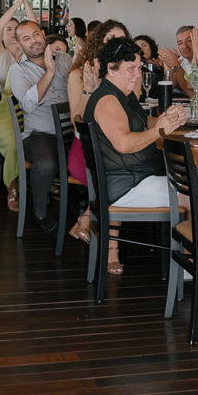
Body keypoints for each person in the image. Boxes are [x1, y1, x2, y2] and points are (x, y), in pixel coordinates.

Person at [82, 37, 198, 274]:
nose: (137, 74)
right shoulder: (107, 100)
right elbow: (124, 143)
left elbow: (145, 122)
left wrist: (171, 120)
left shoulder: (122, 95)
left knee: (193, 186)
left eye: (139, 67)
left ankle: (189, 260)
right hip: (124, 186)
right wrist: (159, 130)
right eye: (131, 68)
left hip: (132, 177)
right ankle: (192, 265)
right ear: (111, 69)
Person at [66, 21, 131, 242]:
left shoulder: (130, 74)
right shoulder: (78, 74)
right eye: (110, 39)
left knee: (126, 169)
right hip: (87, 149)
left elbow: (133, 113)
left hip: (120, 145)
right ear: (99, 43)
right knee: (120, 175)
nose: (117, 44)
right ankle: (110, 250)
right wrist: (90, 89)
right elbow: (78, 123)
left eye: (121, 40)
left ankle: (86, 218)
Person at [8, 20, 72, 237]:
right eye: (26, 38)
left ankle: (90, 214)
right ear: (18, 43)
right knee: (46, 164)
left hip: (72, 132)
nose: (33, 41)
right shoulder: (18, 70)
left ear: (43, 34)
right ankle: (41, 213)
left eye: (36, 35)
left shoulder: (63, 58)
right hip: (40, 135)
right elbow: (27, 104)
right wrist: (49, 72)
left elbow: (79, 86)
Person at [0, 0, 37, 212]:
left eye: (15, 28)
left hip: (33, 105)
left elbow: (34, 26)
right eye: (8, 28)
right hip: (7, 107)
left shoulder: (28, 51)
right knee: (13, 140)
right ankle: (13, 186)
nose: (10, 31)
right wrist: (17, 2)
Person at [156, 25, 196, 97]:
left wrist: (175, 65)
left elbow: (192, 91)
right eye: (180, 43)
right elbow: (169, 88)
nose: (185, 46)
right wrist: (168, 70)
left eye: (189, 40)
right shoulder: (181, 60)